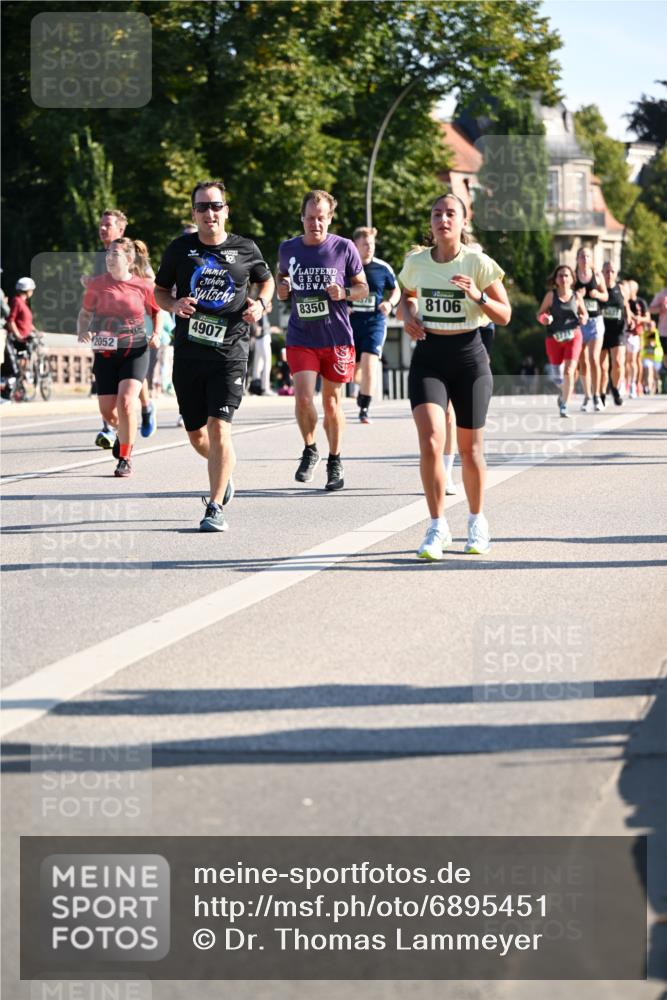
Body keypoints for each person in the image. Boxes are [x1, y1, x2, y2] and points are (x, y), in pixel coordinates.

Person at [154, 180, 274, 532]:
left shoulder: (246, 248)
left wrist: (262, 305)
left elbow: (265, 281)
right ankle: (223, 472)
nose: (210, 213)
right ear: (194, 213)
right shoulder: (180, 250)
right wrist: (173, 304)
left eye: (216, 206)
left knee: (220, 427)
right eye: (202, 207)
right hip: (190, 352)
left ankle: (215, 504)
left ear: (226, 210)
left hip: (230, 351)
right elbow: (160, 291)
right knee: (196, 433)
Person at [398, 192, 511, 559]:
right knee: (431, 440)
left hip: (469, 360)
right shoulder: (416, 262)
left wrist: (478, 295)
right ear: (430, 223)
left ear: (464, 221)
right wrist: (408, 314)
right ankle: (436, 527)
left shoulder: (478, 261)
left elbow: (504, 314)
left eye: (450, 214)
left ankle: (477, 521)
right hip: (429, 358)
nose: (443, 219)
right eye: (436, 214)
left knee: (470, 449)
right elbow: (406, 294)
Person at [277, 190, 368, 491]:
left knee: (332, 403)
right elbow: (281, 280)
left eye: (321, 218)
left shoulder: (344, 248)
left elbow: (363, 289)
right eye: (310, 218)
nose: (315, 224)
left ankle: (335, 458)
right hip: (301, 335)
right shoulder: (288, 248)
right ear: (301, 218)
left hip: (337, 336)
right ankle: (310, 448)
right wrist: (282, 287)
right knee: (303, 397)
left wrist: (345, 293)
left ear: (329, 218)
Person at [77, 239, 159, 477]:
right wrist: (84, 329)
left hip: (135, 349)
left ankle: (125, 457)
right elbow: (85, 313)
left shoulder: (143, 285)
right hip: (105, 351)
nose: (110, 258)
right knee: (108, 412)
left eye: (116, 254)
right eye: (108, 254)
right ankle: (123, 433)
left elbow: (156, 311)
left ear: (129, 260)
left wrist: (156, 334)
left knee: (125, 402)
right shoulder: (96, 285)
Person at [88, 210, 158, 448]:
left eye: (108, 225)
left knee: (131, 372)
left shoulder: (132, 255)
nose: (103, 229)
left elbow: (152, 284)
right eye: (101, 225)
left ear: (121, 230)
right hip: (104, 329)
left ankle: (147, 407)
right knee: (108, 376)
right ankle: (110, 425)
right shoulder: (99, 257)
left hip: (134, 324)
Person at [348, 226, 400, 424]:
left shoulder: (383, 268)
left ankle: (364, 407)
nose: (370, 248)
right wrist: (343, 306)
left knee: (370, 363)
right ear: (355, 246)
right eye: (365, 244)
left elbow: (396, 290)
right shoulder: (346, 267)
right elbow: (333, 290)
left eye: (372, 244)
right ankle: (360, 389)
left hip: (374, 322)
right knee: (353, 368)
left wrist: (390, 303)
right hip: (351, 324)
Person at [537, 265, 587, 419]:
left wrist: (583, 318)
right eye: (560, 275)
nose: (563, 278)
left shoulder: (577, 296)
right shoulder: (551, 296)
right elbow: (540, 314)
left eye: (566, 275)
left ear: (572, 279)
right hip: (554, 338)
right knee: (558, 376)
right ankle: (564, 391)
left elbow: (584, 314)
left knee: (569, 370)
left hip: (574, 336)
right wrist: (544, 319)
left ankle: (564, 405)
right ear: (556, 279)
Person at [574, 246, 608, 412]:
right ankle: (587, 396)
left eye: (587, 256)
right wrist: (577, 296)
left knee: (594, 359)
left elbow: (606, 296)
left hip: (595, 321)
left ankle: (597, 396)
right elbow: (565, 298)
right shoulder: (573, 277)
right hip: (580, 322)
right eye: (582, 256)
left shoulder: (597, 275)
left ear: (591, 259)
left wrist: (597, 295)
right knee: (583, 362)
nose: (585, 259)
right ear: (577, 259)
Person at [600, 261, 631, 406]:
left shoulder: (621, 289)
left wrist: (629, 316)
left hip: (618, 330)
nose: (609, 274)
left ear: (616, 273)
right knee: (603, 366)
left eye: (612, 271)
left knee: (618, 363)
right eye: (606, 271)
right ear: (602, 272)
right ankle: (601, 394)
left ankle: (614, 388)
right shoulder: (598, 289)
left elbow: (626, 305)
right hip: (601, 330)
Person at [626, 279, 649, 398]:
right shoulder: (625, 301)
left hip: (638, 333)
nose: (628, 289)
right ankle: (626, 383)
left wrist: (639, 319)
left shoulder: (641, 302)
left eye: (630, 287)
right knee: (625, 360)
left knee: (636, 360)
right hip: (625, 333)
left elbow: (648, 318)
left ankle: (637, 383)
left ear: (635, 289)